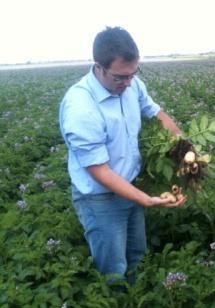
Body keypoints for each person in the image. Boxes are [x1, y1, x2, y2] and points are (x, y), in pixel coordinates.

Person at [59, 27, 186, 283]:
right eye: (120, 78)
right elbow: (101, 172)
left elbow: (156, 113)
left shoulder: (132, 84)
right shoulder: (81, 107)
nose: (128, 83)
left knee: (138, 254)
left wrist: (186, 146)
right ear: (99, 67)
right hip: (100, 199)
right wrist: (146, 200)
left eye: (133, 74)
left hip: (129, 186)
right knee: (113, 267)